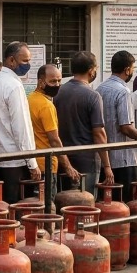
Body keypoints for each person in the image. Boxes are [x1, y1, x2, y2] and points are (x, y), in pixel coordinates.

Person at [0, 42, 42, 202]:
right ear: (11, 60)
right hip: (16, 162)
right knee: (19, 213)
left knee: (1, 212)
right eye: (24, 61)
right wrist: (32, 162)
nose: (28, 65)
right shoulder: (14, 85)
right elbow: (21, 127)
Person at [55, 51, 110, 195]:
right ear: (91, 71)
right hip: (87, 162)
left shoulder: (58, 92)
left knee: (64, 203)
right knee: (85, 204)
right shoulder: (93, 96)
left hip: (63, 160)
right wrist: (107, 165)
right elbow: (99, 134)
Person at [99, 50, 137, 201]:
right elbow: (126, 127)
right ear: (127, 70)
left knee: (108, 204)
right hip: (124, 159)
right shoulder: (123, 91)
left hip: (105, 158)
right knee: (126, 203)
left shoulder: (100, 88)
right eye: (132, 68)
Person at [28, 64, 75, 186]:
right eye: (53, 81)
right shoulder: (46, 106)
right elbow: (54, 140)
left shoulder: (30, 99)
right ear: (41, 82)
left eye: (59, 80)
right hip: (46, 165)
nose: (57, 85)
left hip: (33, 163)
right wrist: (68, 166)